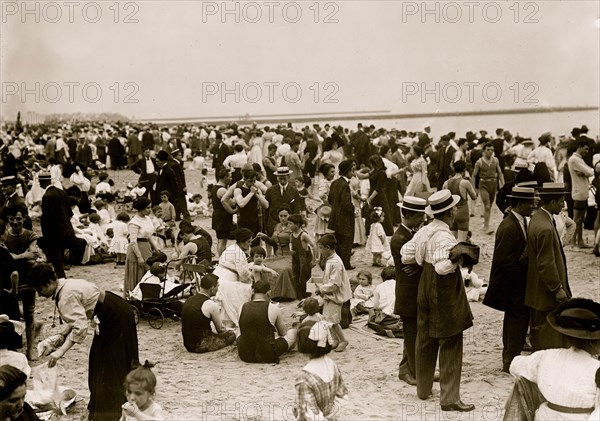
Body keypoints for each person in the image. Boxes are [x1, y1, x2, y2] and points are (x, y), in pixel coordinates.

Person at [29, 263, 139, 421]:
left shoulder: (65, 295)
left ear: (49, 283)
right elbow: (79, 315)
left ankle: (112, 410)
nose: (40, 296)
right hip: (114, 308)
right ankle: (99, 406)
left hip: (114, 317)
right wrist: (61, 336)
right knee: (98, 360)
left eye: (40, 290)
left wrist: (60, 352)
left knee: (110, 363)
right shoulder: (65, 284)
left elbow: (80, 328)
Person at [401, 189, 475, 412]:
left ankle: (423, 389)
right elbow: (443, 268)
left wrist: (423, 260)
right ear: (450, 212)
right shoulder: (445, 235)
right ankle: (450, 398)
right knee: (451, 339)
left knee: (425, 337)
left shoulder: (424, 230)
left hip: (424, 283)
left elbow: (405, 253)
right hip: (443, 288)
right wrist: (459, 257)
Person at [507, 298, 600, 421]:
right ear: (593, 343)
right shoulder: (596, 369)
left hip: (545, 417)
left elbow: (514, 366)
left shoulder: (546, 356)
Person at [484, 186, 535, 372]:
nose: (532, 207)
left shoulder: (519, 221)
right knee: (516, 324)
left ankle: (511, 359)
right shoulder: (509, 226)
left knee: (515, 323)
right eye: (530, 204)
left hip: (515, 283)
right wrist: (521, 277)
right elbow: (503, 261)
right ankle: (510, 361)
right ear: (520, 204)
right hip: (513, 285)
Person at [526, 182, 572, 351]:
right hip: (545, 291)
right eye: (561, 201)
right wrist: (557, 288)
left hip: (538, 288)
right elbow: (546, 263)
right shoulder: (545, 227)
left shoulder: (539, 218)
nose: (563, 205)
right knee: (546, 331)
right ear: (551, 202)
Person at [391, 196, 428, 384]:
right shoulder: (399, 238)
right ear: (409, 216)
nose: (423, 219)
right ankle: (414, 372)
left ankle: (406, 370)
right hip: (408, 293)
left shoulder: (409, 234)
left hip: (410, 292)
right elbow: (409, 268)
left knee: (412, 334)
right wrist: (421, 264)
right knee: (413, 335)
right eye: (419, 216)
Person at [3, 204, 41, 361]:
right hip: (8, 281)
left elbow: (34, 256)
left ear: (24, 218)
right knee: (9, 316)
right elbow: (5, 256)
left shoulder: (30, 235)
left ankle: (30, 349)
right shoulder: (5, 235)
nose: (15, 222)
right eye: (12, 219)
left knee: (29, 315)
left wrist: (10, 256)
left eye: (18, 219)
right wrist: (23, 256)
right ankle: (12, 347)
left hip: (27, 280)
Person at [293, 321, 348, 421]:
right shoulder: (332, 364)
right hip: (330, 416)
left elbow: (308, 415)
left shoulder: (304, 377)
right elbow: (342, 395)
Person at [237, 279, 298, 363]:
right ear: (269, 293)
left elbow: (241, 331)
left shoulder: (242, 307)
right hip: (267, 354)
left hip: (245, 355)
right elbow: (282, 333)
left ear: (253, 292)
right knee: (293, 332)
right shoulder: (273, 308)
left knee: (240, 330)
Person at [314, 234, 352, 352]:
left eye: (321, 248)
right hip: (329, 295)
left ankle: (343, 340)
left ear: (328, 248)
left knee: (333, 321)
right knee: (327, 318)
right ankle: (335, 340)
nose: (320, 251)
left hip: (335, 296)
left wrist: (321, 289)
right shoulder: (330, 260)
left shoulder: (335, 262)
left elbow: (335, 284)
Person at [181, 273, 236, 353]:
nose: (218, 289)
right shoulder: (211, 304)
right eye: (217, 286)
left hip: (188, 344)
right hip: (202, 344)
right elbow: (220, 329)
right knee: (232, 334)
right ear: (212, 288)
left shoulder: (189, 299)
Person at [212, 228, 254, 328]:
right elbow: (243, 274)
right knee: (246, 290)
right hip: (226, 280)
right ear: (242, 242)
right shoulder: (239, 253)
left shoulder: (232, 248)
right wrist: (251, 279)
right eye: (248, 242)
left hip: (218, 276)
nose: (250, 244)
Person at [124, 197, 158, 296]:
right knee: (139, 270)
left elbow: (149, 235)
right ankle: (136, 295)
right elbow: (133, 242)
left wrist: (156, 248)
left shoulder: (147, 219)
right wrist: (139, 257)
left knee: (148, 269)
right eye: (147, 208)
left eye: (150, 207)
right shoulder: (134, 222)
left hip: (146, 247)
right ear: (141, 208)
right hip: (137, 249)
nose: (150, 210)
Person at [471, 142, 505, 234]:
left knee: (489, 206)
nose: (490, 152)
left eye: (492, 150)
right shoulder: (479, 162)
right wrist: (473, 188)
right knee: (487, 205)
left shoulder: (496, 160)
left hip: (493, 184)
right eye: (488, 150)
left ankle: (486, 223)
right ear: (484, 151)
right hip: (483, 184)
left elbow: (500, 173)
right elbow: (474, 175)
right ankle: (486, 226)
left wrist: (503, 185)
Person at [328, 160, 356, 270]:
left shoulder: (335, 183)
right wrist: (353, 209)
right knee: (347, 241)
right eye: (352, 170)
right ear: (348, 171)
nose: (353, 173)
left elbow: (330, 200)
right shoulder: (345, 185)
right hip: (345, 218)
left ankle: (338, 262)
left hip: (335, 217)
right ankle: (346, 263)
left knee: (338, 240)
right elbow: (346, 204)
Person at [567, 138, 594, 248]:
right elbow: (590, 171)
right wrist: (586, 173)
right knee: (577, 218)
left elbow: (589, 171)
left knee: (580, 218)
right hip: (579, 192)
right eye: (585, 149)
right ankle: (574, 242)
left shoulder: (578, 159)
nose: (587, 151)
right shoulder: (575, 159)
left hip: (581, 191)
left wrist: (585, 172)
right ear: (580, 147)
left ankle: (580, 241)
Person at [443, 160, 478, 242]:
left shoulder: (446, 183)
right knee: (461, 241)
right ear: (464, 169)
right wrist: (471, 182)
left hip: (451, 213)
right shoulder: (465, 183)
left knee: (451, 241)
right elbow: (474, 197)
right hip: (463, 212)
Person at [289, 214, 317, 299]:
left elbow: (314, 245)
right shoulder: (292, 234)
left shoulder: (303, 234)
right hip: (296, 257)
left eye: (290, 224)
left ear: (297, 224)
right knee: (296, 275)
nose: (289, 225)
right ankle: (299, 295)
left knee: (304, 276)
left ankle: (306, 295)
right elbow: (290, 243)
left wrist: (314, 259)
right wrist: (290, 249)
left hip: (304, 258)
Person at [212, 168, 236, 257]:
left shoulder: (215, 187)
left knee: (221, 239)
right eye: (230, 177)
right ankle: (221, 258)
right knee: (222, 240)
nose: (231, 179)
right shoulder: (222, 190)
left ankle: (221, 257)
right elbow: (232, 203)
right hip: (222, 217)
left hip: (218, 215)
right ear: (225, 177)